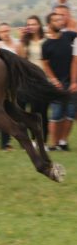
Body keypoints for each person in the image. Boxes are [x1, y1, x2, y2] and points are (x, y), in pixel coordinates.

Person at [42, 12, 76, 151]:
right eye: (56, 20)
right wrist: (54, 80)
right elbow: (45, 64)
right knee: (56, 114)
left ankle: (63, 142)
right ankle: (54, 143)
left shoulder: (70, 36)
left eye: (60, 20)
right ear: (49, 24)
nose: (59, 22)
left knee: (70, 113)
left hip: (72, 81)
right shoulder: (46, 44)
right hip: (56, 84)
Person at [18, 15, 49, 142]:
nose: (31, 26)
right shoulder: (26, 42)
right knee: (30, 112)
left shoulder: (46, 41)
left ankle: (42, 140)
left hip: (44, 80)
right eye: (29, 24)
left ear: (39, 25)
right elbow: (20, 58)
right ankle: (31, 138)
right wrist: (21, 40)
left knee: (41, 112)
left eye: (34, 24)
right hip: (30, 81)